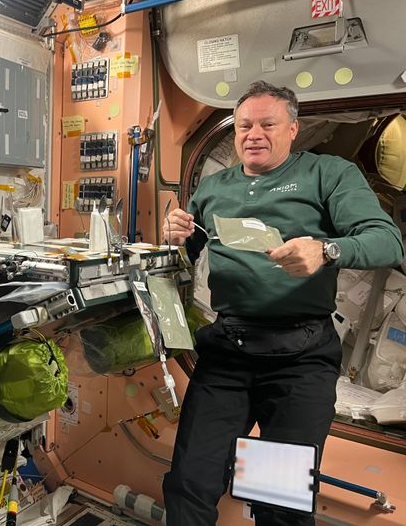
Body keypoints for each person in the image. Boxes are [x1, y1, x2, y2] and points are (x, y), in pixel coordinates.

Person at [161, 80, 404, 526]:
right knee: (190, 485)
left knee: (276, 502)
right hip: (227, 355)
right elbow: (184, 258)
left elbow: (388, 241)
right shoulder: (214, 187)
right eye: (244, 125)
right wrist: (174, 238)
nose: (254, 134)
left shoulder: (327, 174)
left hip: (299, 360)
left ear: (293, 129)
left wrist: (327, 250)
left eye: (267, 124)